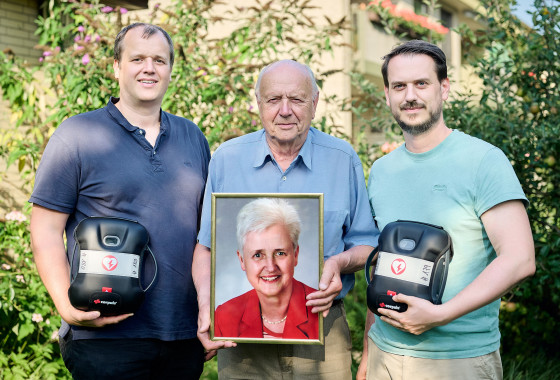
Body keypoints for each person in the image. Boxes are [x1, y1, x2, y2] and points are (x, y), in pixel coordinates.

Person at [29, 23, 210, 379]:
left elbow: (207, 237)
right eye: (137, 58)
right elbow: (45, 230)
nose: (149, 68)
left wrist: (207, 312)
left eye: (159, 60)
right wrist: (65, 305)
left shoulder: (193, 136)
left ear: (170, 69)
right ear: (116, 66)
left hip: (181, 334)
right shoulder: (77, 135)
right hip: (104, 336)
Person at [357, 40, 536, 380]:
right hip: (385, 354)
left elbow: (520, 259)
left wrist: (440, 315)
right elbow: (384, 263)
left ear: (444, 88)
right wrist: (368, 350)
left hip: (459, 360)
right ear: (387, 95)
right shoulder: (381, 170)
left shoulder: (483, 160)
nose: (410, 96)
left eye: (421, 84)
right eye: (399, 86)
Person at [192, 59, 379, 378]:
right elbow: (205, 248)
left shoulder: (341, 159)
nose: (285, 110)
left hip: (322, 332)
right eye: (274, 99)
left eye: (297, 99)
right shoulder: (228, 158)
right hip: (242, 338)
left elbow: (366, 244)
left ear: (315, 103)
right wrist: (207, 308)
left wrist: (338, 262)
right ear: (259, 103)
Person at [214, 198, 319, 340]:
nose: (270, 267)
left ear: (295, 255)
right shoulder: (225, 316)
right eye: (258, 255)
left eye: (280, 253)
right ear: (242, 260)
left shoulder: (319, 310)